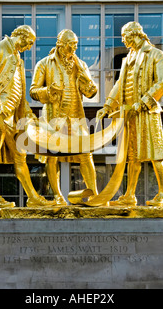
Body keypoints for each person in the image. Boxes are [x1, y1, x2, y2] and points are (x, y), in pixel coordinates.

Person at [0, 25, 55, 208]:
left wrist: (29, 117)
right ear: (21, 36)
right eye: (30, 42)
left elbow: (20, 94)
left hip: (13, 118)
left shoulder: (18, 59)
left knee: (20, 156)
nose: (30, 47)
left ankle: (32, 197)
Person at [96, 21, 163, 207]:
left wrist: (142, 103)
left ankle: (162, 194)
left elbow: (161, 83)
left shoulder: (156, 54)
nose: (123, 40)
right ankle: (130, 195)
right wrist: (107, 106)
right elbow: (120, 85)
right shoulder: (128, 58)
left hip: (147, 112)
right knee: (132, 156)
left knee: (156, 153)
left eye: (124, 36)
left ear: (134, 34)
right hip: (128, 114)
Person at [30, 29, 99, 206]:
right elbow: (33, 91)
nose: (74, 48)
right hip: (53, 117)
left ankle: (95, 195)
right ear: (61, 45)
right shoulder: (44, 64)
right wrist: (47, 91)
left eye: (76, 44)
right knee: (52, 157)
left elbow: (90, 92)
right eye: (71, 45)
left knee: (86, 155)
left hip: (76, 117)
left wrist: (86, 79)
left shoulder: (80, 64)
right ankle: (58, 196)